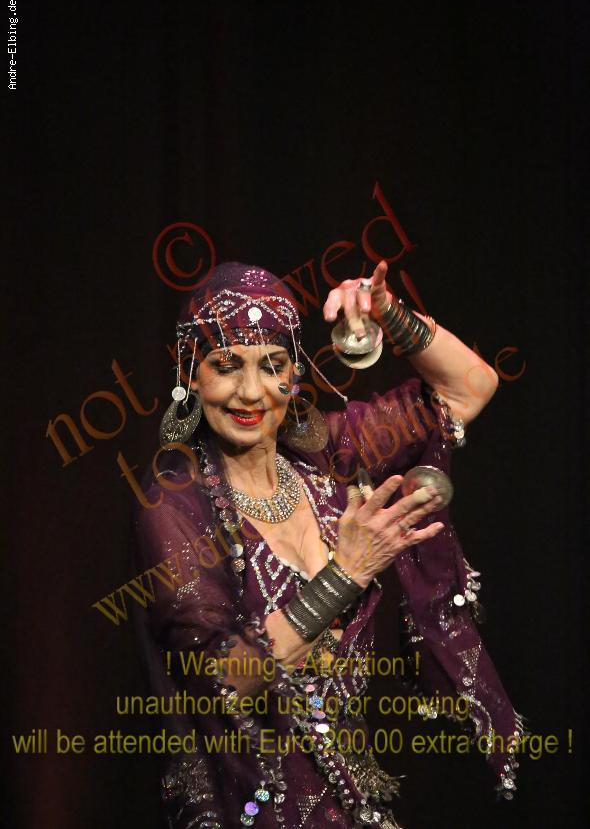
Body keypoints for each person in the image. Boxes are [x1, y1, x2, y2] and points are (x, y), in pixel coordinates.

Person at [132, 260, 521, 829]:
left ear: (295, 374)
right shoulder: (175, 506)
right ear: (192, 373)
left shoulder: (326, 461)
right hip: (253, 812)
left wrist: (390, 314)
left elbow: (469, 387)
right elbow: (225, 679)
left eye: (273, 366)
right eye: (226, 366)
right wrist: (346, 573)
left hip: (357, 809)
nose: (250, 392)